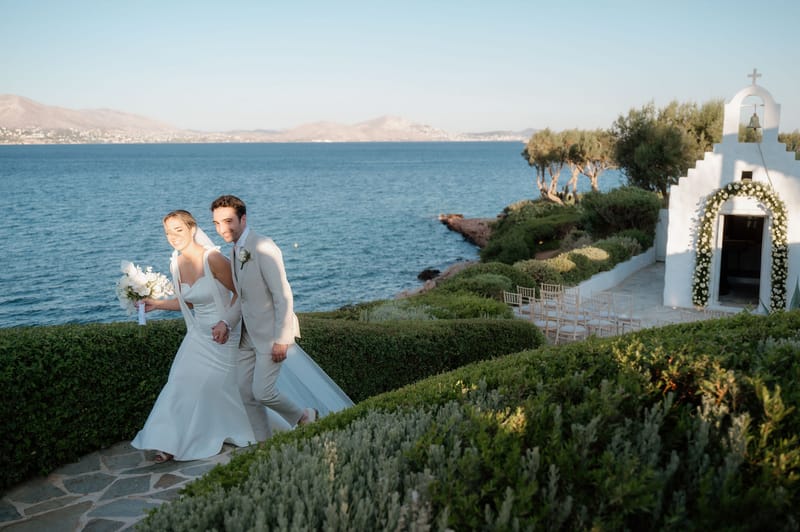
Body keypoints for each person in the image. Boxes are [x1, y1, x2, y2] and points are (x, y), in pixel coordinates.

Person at [131, 210, 256, 462]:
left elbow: (242, 293)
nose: (173, 236)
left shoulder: (213, 258)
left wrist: (225, 323)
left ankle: (256, 424)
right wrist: (157, 304)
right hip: (199, 335)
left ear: (192, 229)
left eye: (178, 230)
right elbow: (188, 302)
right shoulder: (176, 263)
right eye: (168, 232)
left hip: (225, 334)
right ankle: (167, 442)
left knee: (216, 387)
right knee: (179, 381)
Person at [211, 194, 334, 441]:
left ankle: (304, 415)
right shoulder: (235, 251)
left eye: (228, 221)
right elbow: (243, 297)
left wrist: (282, 338)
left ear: (243, 219)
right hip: (247, 335)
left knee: (262, 392)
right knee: (245, 392)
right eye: (217, 223)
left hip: (270, 334)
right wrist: (225, 322)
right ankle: (263, 444)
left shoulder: (263, 246)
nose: (222, 228)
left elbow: (282, 294)